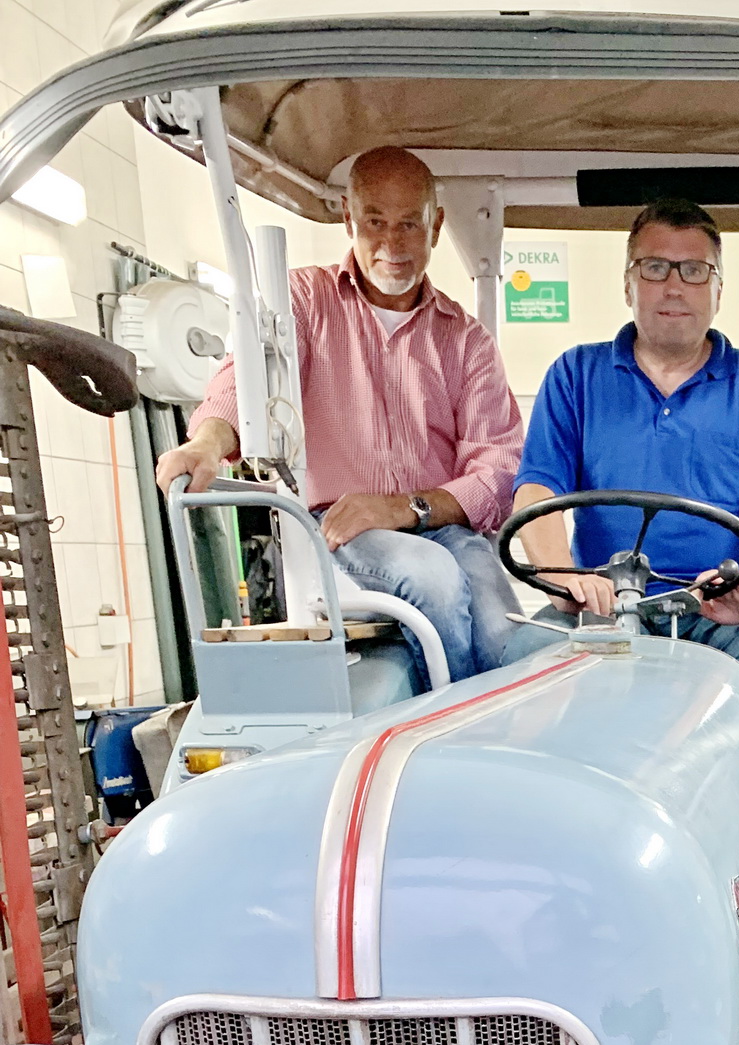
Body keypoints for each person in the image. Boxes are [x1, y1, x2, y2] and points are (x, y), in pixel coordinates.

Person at [496, 198, 739, 972]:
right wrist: (562, 576)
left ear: (718, 287)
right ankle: (529, 879)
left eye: (693, 269)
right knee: (510, 670)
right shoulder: (576, 376)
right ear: (628, 282)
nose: (674, 284)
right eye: (655, 267)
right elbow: (538, 489)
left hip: (719, 605)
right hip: (603, 606)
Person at [156, 147, 524, 686]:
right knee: (434, 582)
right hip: (338, 527)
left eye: (409, 224)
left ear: (436, 225)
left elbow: (496, 473)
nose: (392, 244)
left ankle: (495, 723)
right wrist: (205, 445)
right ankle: (456, 726)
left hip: (442, 526)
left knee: (504, 631)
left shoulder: (467, 340)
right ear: (349, 218)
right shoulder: (302, 300)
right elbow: (244, 380)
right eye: (375, 222)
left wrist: (404, 508)